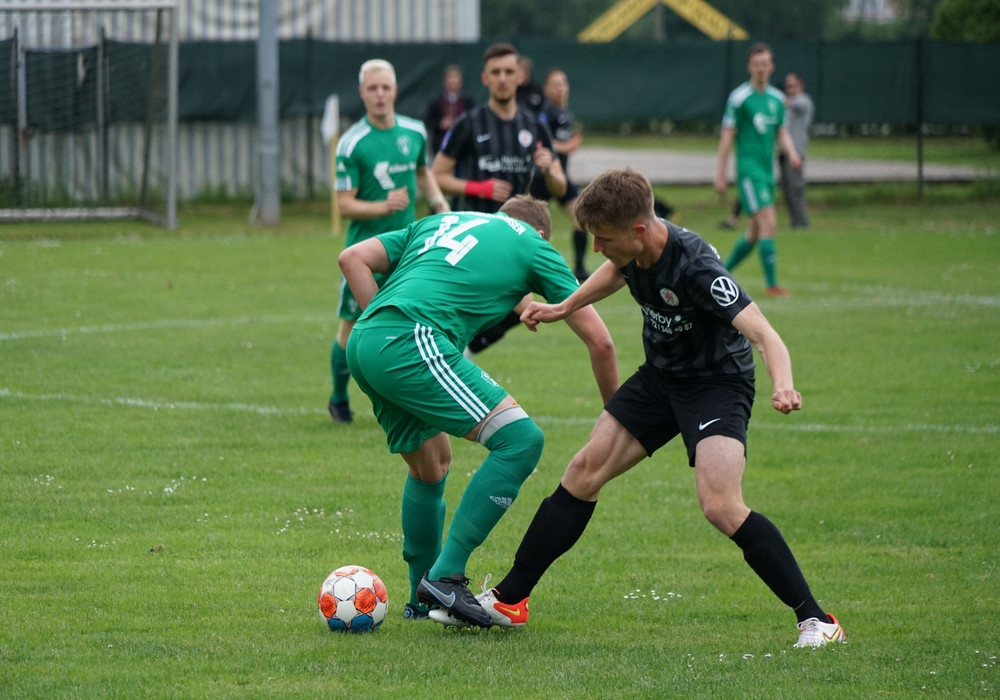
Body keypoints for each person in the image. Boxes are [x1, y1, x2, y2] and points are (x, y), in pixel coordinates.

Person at [430, 167, 847, 650]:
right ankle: (509, 599)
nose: (596, 248)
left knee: (720, 505)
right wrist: (565, 307)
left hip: (716, 384)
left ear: (639, 231)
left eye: (604, 239)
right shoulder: (630, 252)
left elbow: (765, 335)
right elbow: (615, 271)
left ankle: (817, 620)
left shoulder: (697, 267)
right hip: (660, 378)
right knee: (582, 472)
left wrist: (784, 386)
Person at [338, 195, 618, 626]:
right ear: (541, 232)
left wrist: (381, 326)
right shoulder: (533, 243)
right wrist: (617, 418)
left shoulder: (442, 221)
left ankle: (420, 601)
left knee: (431, 465)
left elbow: (352, 258)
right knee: (521, 440)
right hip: (412, 339)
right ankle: (445, 575)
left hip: (364, 341)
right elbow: (601, 342)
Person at [327, 59, 449, 424]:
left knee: (413, 324)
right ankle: (339, 398)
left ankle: (412, 400)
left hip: (408, 250)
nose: (379, 94)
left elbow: (423, 172)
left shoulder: (414, 132)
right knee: (352, 328)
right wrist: (384, 205)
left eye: (385, 88)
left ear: (395, 91)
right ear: (362, 93)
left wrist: (439, 203)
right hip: (364, 254)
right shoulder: (352, 143)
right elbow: (344, 204)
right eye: (372, 88)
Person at [432, 42, 567, 355]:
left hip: (518, 240)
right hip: (476, 238)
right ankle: (456, 352)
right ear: (485, 78)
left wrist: (549, 170)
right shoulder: (469, 123)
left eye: (508, 71)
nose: (503, 78)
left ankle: (460, 352)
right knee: (513, 305)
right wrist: (478, 188)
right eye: (496, 72)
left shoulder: (535, 126)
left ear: (520, 76)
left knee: (526, 305)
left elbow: (561, 187)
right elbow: (437, 175)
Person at [715, 43, 800, 297]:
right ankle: (772, 285)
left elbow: (781, 131)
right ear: (749, 66)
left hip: (767, 171)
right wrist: (720, 174)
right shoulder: (739, 98)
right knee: (769, 223)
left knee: (753, 232)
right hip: (749, 171)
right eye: (756, 64)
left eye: (765, 64)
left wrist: (792, 152)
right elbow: (727, 136)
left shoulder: (777, 99)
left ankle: (718, 274)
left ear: (772, 66)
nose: (761, 68)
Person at [531, 67, 590, 282]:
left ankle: (580, 269)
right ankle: (532, 269)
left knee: (581, 218)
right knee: (534, 227)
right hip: (543, 178)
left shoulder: (565, 113)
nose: (561, 88)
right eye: (555, 85)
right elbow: (542, 142)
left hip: (562, 179)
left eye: (563, 83)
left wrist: (569, 144)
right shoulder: (545, 114)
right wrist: (567, 146)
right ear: (546, 90)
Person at [779, 72, 814, 229]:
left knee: (796, 188)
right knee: (786, 188)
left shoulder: (803, 101)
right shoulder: (787, 105)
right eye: (788, 85)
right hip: (783, 151)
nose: (790, 88)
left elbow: (791, 104)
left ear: (801, 85)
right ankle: (795, 222)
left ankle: (802, 222)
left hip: (796, 151)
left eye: (793, 85)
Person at [423, 64, 475, 157]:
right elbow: (428, 121)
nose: (453, 82)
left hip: (463, 147)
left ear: (460, 82)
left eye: (456, 78)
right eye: (450, 78)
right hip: (440, 146)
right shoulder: (436, 101)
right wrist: (441, 123)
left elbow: (473, 120)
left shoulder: (467, 101)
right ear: (445, 81)